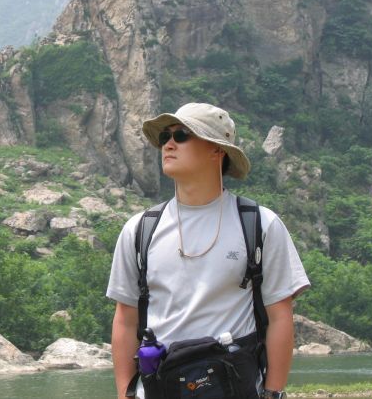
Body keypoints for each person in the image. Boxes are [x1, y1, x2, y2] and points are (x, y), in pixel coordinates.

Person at [107, 102, 310, 399]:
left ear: (217, 150)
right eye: (165, 137)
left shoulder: (260, 225)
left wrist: (273, 393)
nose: (169, 145)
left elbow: (280, 316)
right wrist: (124, 393)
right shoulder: (139, 230)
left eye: (182, 135)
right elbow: (126, 320)